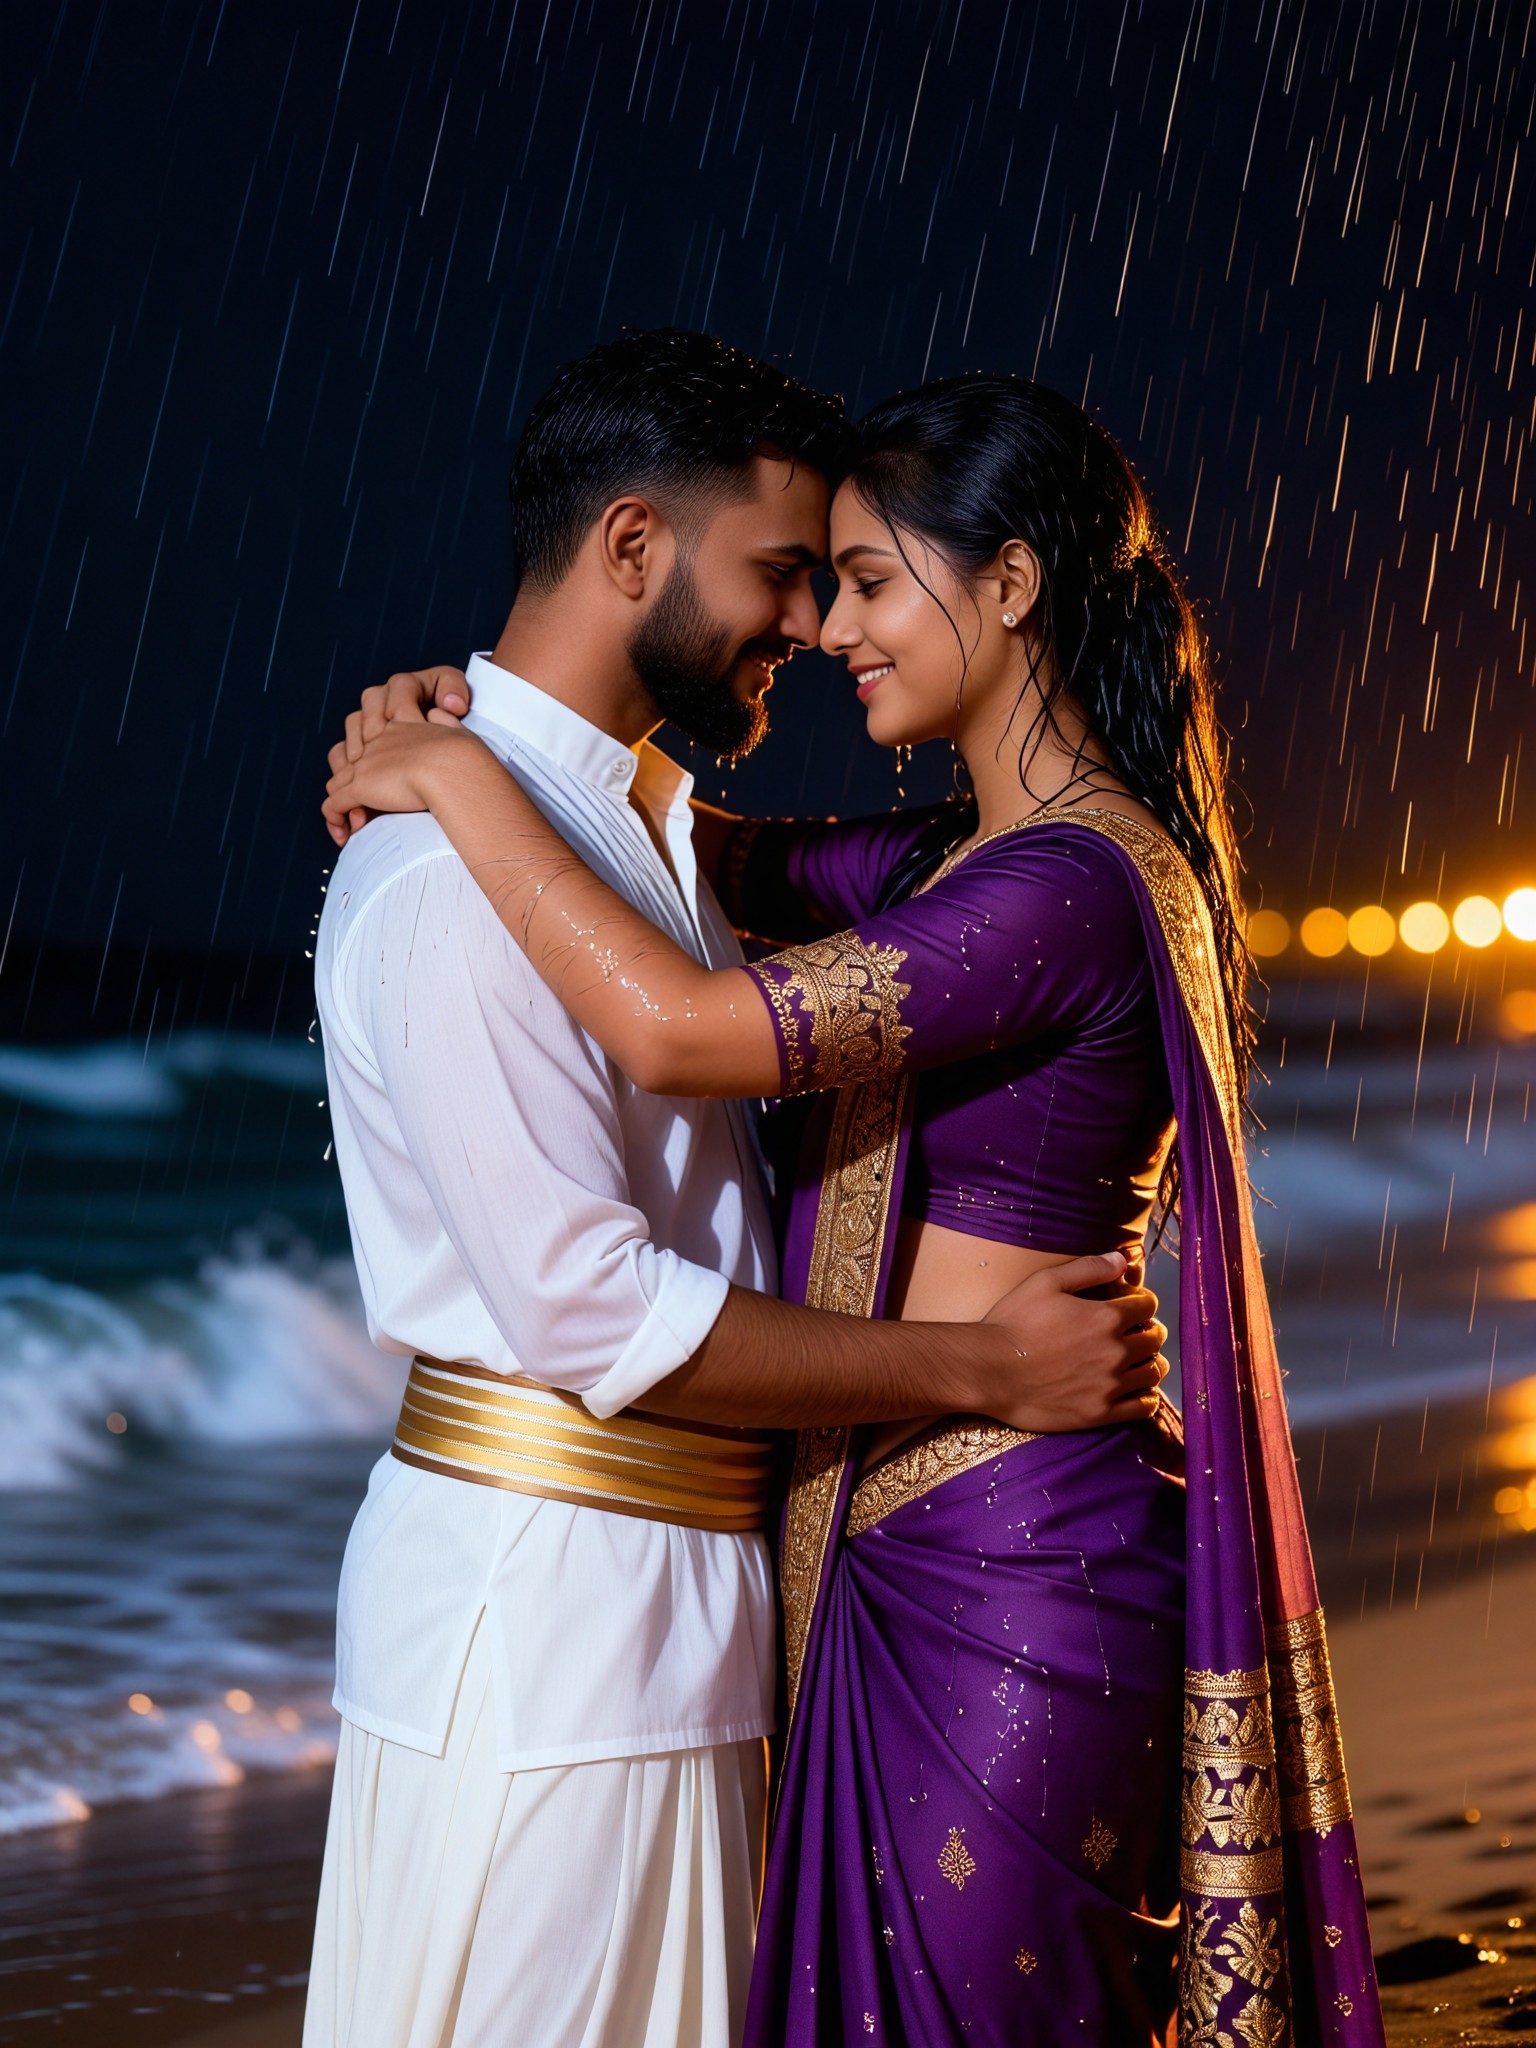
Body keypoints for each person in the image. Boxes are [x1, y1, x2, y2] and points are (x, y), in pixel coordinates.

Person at [327, 371, 1386, 2046]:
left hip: (1010, 1578)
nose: (829, 629)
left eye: (872, 584)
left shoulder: (1063, 887)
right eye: (811, 580)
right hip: (916, 1564)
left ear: (1015, 585)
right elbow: (685, 847)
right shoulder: (957, 869)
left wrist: (457, 783)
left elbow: (677, 1030)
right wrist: (477, 731)